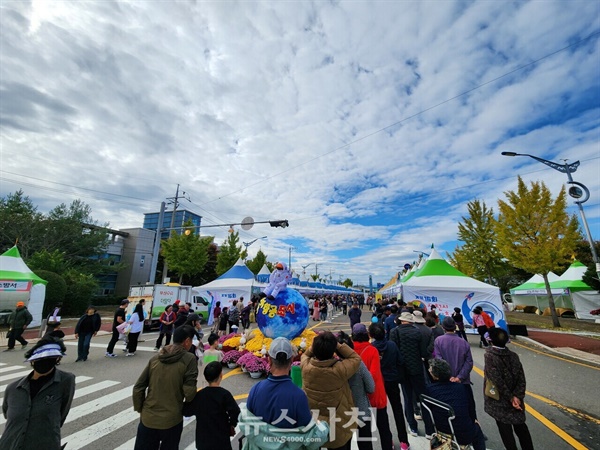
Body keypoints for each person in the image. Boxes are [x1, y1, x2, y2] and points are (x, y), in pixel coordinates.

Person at [241, 337, 328, 449]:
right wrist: (322, 426)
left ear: (269, 360)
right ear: (292, 359)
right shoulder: (298, 396)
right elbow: (309, 435)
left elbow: (248, 424)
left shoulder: (255, 390)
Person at [0, 337, 75, 450]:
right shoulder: (13, 388)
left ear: (57, 359)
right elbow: (8, 415)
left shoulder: (66, 381)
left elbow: (61, 415)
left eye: (50, 358)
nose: (44, 362)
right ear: (32, 360)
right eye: (40, 359)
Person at [133, 325, 199, 450]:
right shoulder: (189, 359)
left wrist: (141, 409)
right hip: (172, 420)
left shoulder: (156, 357)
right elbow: (189, 393)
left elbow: (138, 387)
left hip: (148, 418)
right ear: (187, 341)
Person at [302, 331, 361, 449]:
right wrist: (338, 345)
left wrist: (314, 347)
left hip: (315, 423)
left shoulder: (306, 368)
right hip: (338, 424)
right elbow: (355, 358)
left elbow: (305, 355)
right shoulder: (340, 370)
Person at [484, 327, 534, 450]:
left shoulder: (490, 356)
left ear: (491, 340)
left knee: (505, 430)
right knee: (521, 428)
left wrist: (511, 398)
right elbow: (521, 379)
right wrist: (517, 397)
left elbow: (496, 380)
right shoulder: (514, 356)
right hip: (516, 400)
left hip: (500, 400)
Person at [389, 312, 435, 439]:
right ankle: (429, 430)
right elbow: (423, 352)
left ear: (401, 320)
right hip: (417, 369)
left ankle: (412, 427)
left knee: (408, 399)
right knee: (423, 397)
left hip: (403, 370)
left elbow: (393, 351)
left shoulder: (394, 332)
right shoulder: (417, 332)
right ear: (411, 321)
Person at [426, 359, 486, 450]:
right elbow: (471, 407)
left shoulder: (429, 390)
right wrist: (474, 419)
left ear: (435, 376)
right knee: (478, 434)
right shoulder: (461, 387)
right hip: (465, 433)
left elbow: (428, 412)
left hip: (443, 432)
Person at [351, 323, 394, 450]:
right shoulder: (372, 350)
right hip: (376, 394)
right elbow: (374, 374)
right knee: (383, 426)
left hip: (359, 396)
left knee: (363, 431)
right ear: (367, 335)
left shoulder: (350, 351)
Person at [369, 323, 410, 450]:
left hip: (379, 383)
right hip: (392, 380)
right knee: (397, 409)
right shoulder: (392, 345)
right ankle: (404, 441)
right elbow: (400, 361)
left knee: (382, 412)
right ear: (385, 332)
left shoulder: (372, 348)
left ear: (371, 335)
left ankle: (389, 441)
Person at [183, 362, 240, 450]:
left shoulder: (199, 395)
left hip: (203, 440)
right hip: (221, 439)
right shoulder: (224, 394)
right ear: (220, 375)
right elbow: (235, 411)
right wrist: (232, 424)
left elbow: (187, 411)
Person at [337, 331, 375, 450]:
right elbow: (371, 387)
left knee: (344, 445)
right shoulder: (359, 365)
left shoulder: (333, 368)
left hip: (341, 414)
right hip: (361, 410)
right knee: (365, 444)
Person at [434, 317, 477, 420]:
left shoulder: (438, 341)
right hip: (463, 382)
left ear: (443, 327)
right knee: (468, 407)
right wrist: (459, 377)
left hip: (445, 382)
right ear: (455, 327)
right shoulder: (463, 342)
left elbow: (439, 360)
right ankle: (474, 427)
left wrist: (448, 376)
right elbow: (469, 362)